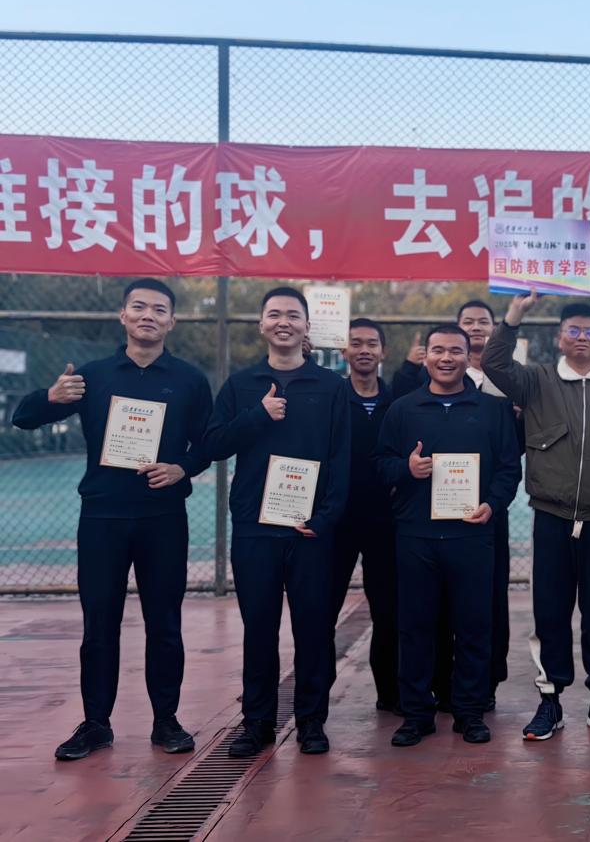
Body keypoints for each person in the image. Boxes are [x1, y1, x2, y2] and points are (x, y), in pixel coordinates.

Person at [12, 278, 212, 761]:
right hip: (102, 516)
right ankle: (96, 724)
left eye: (159, 309)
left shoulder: (189, 379)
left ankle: (166, 721)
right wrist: (50, 397)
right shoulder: (93, 376)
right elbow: (23, 417)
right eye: (138, 307)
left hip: (163, 517)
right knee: (99, 623)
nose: (148, 315)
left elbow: (209, 443)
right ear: (122, 315)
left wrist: (182, 467)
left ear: (172, 321)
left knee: (164, 623)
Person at [483, 291, 590, 741]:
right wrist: (514, 315)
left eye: (589, 331)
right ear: (559, 338)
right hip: (551, 517)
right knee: (550, 613)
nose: (581, 338)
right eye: (572, 330)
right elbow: (494, 363)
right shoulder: (536, 381)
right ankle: (550, 700)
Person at [204, 287, 350, 757]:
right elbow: (214, 445)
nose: (283, 321)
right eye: (274, 314)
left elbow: (341, 458)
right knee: (259, 628)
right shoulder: (241, 385)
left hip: (309, 529)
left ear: (307, 326)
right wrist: (257, 416)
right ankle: (257, 723)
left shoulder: (331, 387)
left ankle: (311, 722)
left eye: (293, 315)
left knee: (313, 629)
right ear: (261, 324)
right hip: (255, 527)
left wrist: (326, 517)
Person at [375, 324, 522, 746]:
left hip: (472, 536)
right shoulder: (403, 410)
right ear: (425, 356)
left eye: (455, 351)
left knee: (474, 627)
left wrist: (493, 503)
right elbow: (380, 463)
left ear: (467, 355)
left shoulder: (492, 410)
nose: (446, 358)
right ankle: (416, 714)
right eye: (437, 350)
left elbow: (509, 469)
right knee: (415, 628)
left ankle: (469, 712)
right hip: (416, 537)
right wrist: (406, 469)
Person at [328, 318, 398, 714]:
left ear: (383, 351)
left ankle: (390, 693)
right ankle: (314, 699)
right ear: (345, 352)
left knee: (388, 612)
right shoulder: (331, 399)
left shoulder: (399, 403)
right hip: (336, 523)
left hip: (387, 524)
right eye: (356, 343)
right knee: (324, 611)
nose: (365, 350)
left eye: (372, 343)